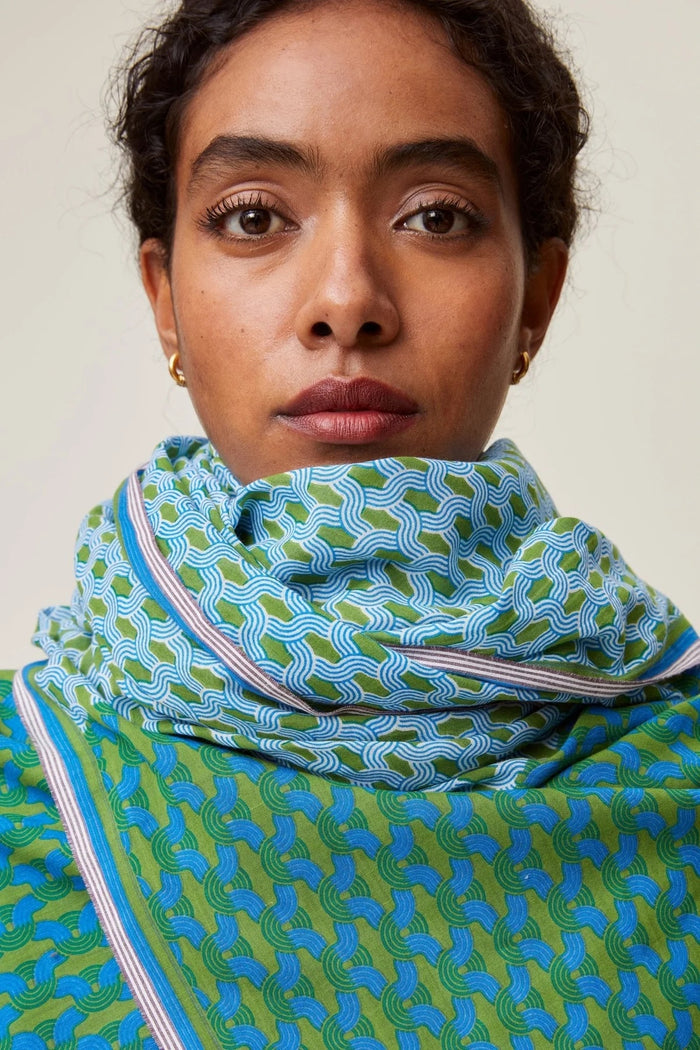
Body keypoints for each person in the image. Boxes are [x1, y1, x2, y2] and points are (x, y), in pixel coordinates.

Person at [1, 0, 699, 1045]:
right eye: (251, 216)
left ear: (536, 298)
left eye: (434, 215)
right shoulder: (25, 788)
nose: (346, 300)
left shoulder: (672, 772)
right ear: (164, 299)